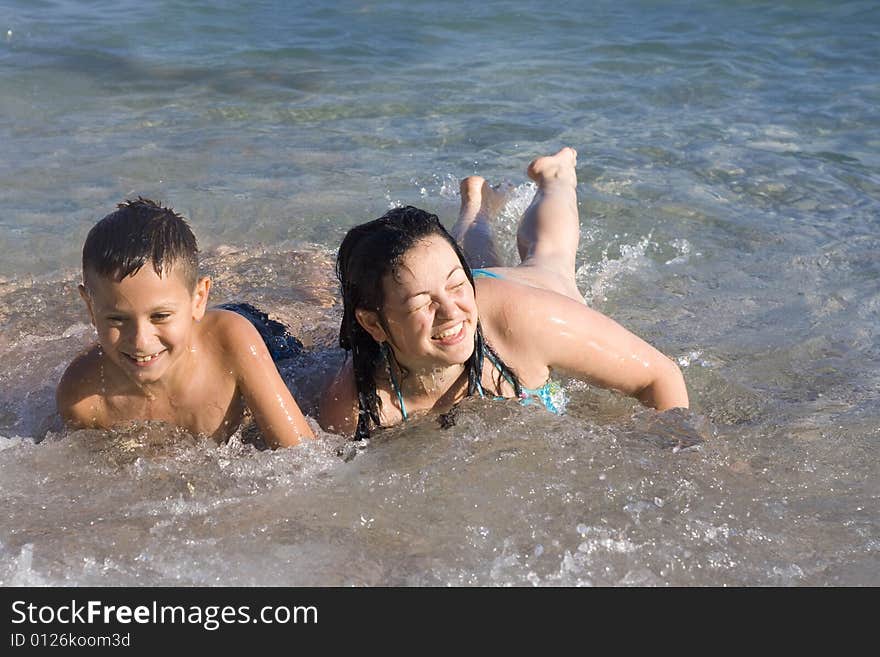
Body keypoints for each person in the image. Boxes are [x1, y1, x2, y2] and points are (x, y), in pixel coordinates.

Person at [319, 147, 689, 439]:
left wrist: (679, 457)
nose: (450, 311)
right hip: (475, 287)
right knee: (460, 266)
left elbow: (658, 376)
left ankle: (556, 177)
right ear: (373, 323)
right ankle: (477, 208)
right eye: (423, 303)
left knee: (550, 260)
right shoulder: (358, 403)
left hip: (501, 303)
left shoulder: (524, 320)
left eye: (455, 285)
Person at [56, 198, 314, 448]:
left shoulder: (234, 343)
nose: (140, 341)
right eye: (116, 319)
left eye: (160, 316)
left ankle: (312, 280)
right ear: (90, 307)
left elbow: (304, 456)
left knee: (306, 334)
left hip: (256, 336)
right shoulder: (83, 399)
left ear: (199, 299)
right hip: (188, 321)